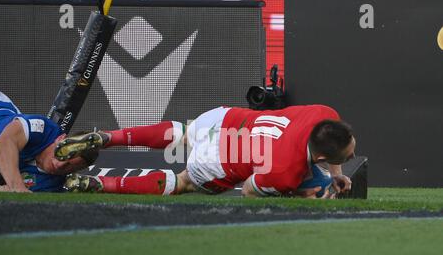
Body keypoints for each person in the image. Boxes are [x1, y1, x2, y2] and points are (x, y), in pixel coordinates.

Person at [60, 104, 356, 198]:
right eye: (349, 153)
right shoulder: (284, 173)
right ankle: (102, 184)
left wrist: (335, 173)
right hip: (218, 160)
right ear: (320, 158)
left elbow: (321, 145)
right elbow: (250, 190)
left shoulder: (323, 112)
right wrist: (297, 194)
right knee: (184, 180)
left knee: (182, 132)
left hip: (225, 119)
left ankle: (109, 136)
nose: (353, 155)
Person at [0, 88, 98, 192]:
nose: (58, 165)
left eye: (68, 166)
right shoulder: (45, 129)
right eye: (64, 155)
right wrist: (17, 186)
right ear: (61, 139)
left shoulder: (50, 184)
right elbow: (3, 142)